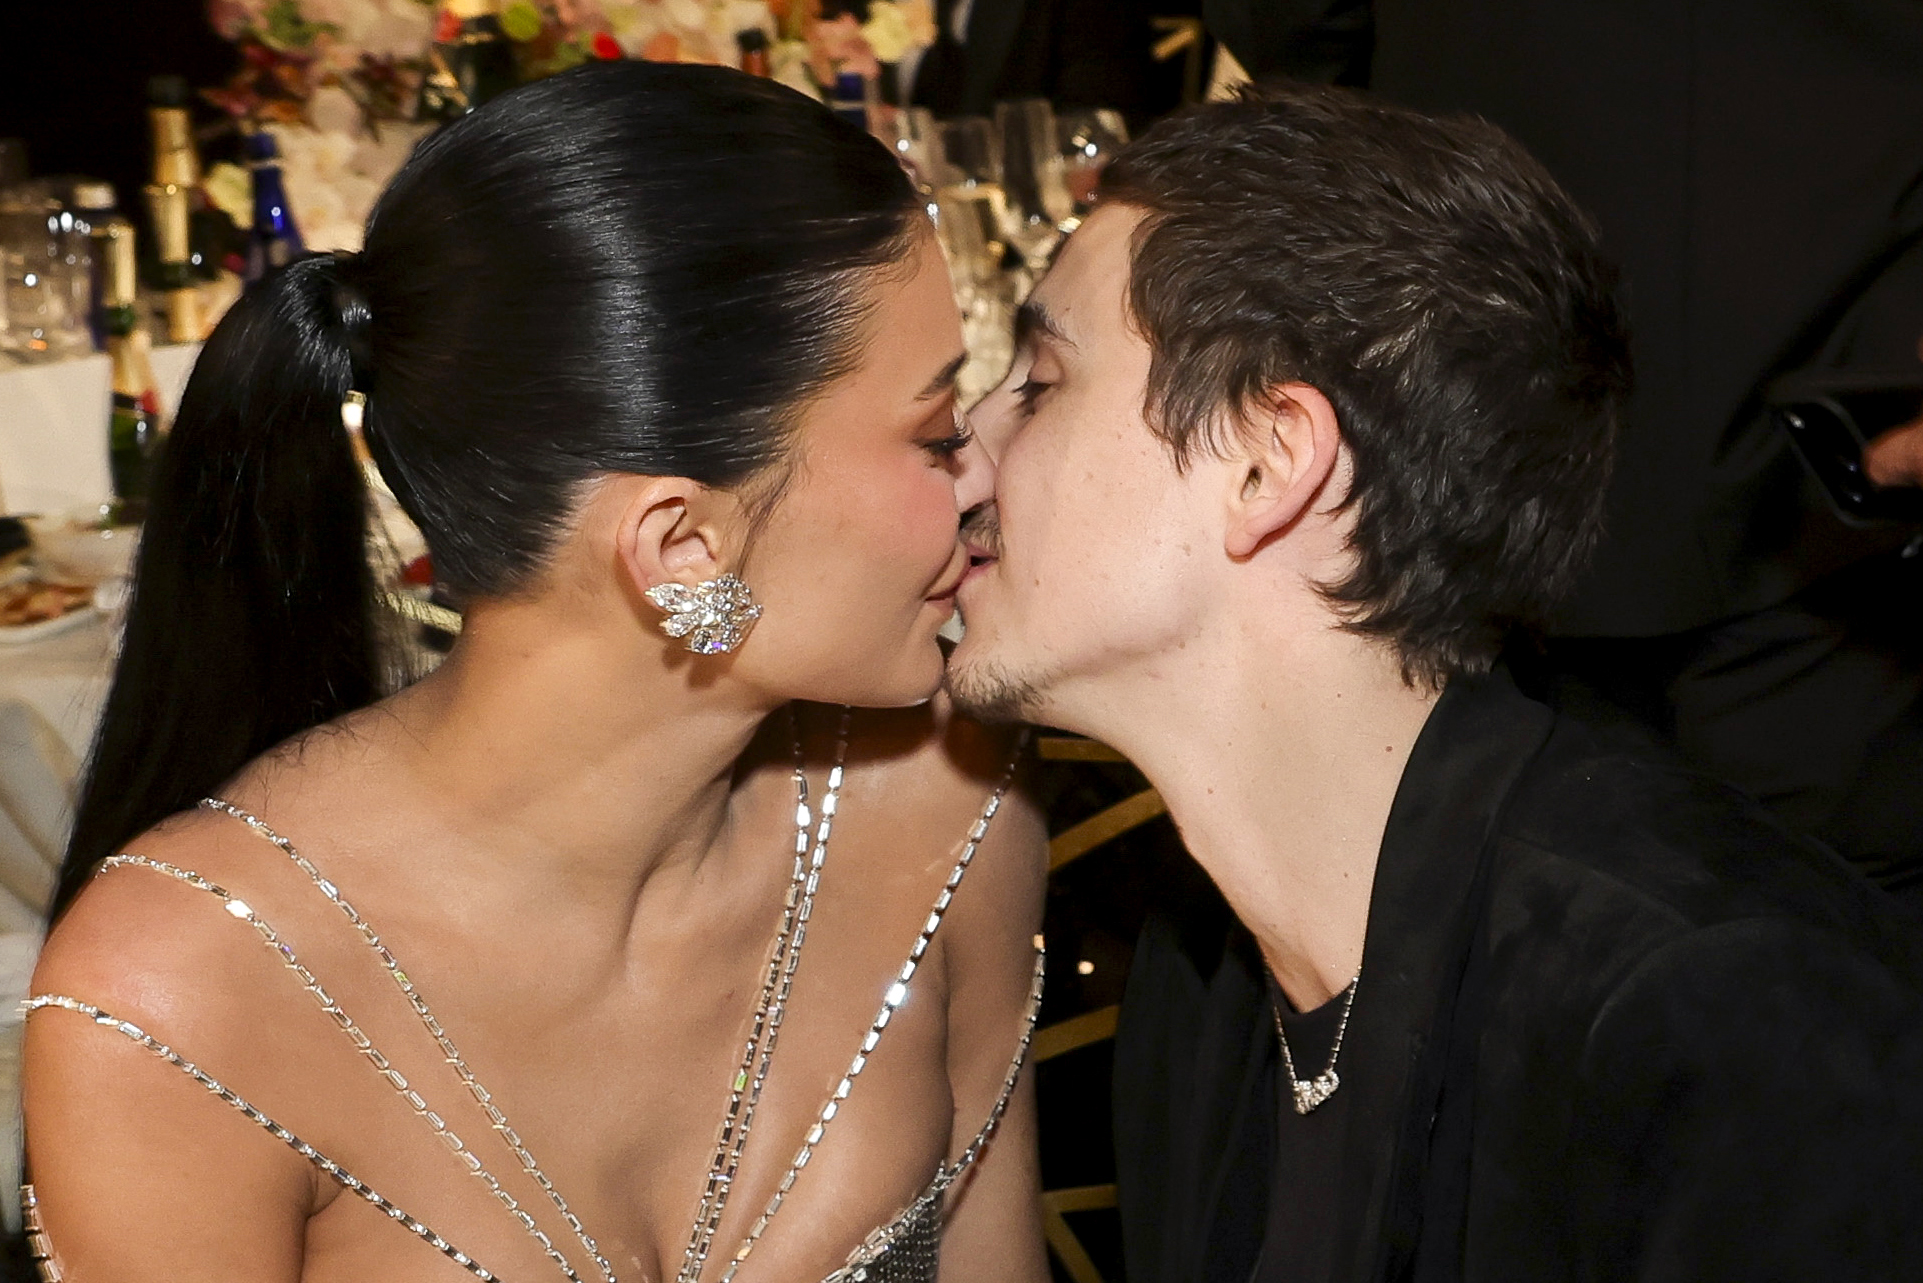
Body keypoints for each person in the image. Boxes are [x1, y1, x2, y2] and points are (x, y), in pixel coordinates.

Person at [23, 62, 1050, 1283]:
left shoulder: (940, 813)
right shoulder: (188, 995)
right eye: (936, 433)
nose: (986, 474)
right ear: (681, 548)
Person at [948, 85, 1923, 1282]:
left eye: (1040, 382)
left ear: (1268, 459)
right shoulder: (1201, 977)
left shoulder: (1721, 1024)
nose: (965, 454)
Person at [1199, 0, 1923, 913]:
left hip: (1481, 427)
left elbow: (1296, 28)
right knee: (1835, 954)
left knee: (1488, 940)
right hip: (1823, 435)